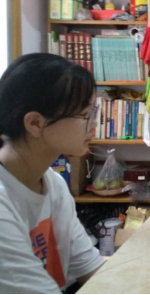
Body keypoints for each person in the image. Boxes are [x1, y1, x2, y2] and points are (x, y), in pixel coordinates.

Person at [0, 54, 104, 293]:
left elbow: (90, 268)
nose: (94, 125)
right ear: (35, 123)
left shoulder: (53, 183)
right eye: (85, 115)